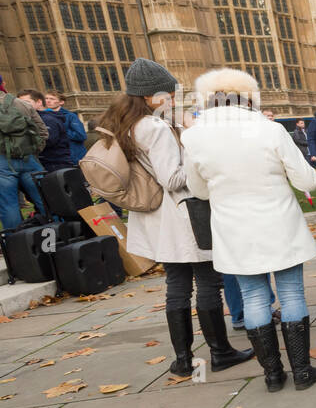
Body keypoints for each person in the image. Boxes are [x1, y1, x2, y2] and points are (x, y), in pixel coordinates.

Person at [98, 59, 252, 378]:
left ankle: (183, 360)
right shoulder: (154, 127)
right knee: (208, 281)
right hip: (182, 216)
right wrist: (200, 160)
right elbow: (172, 178)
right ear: (150, 96)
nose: (172, 98)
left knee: (177, 286)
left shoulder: (126, 124)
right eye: (168, 94)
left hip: (156, 219)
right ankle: (220, 352)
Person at [183, 68, 316, 392]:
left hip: (233, 229)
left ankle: (272, 375)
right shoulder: (270, 129)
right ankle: (302, 371)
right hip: (278, 223)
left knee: (252, 298)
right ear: (248, 96)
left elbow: (198, 190)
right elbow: (306, 180)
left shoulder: (193, 137)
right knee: (291, 294)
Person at [0, 91, 48, 230]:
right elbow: (43, 132)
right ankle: (57, 236)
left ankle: (18, 245)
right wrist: (34, 152)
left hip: (2, 163)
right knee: (45, 200)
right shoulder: (20, 103)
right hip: (29, 158)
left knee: (8, 206)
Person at [17, 89, 74, 174]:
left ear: (39, 102)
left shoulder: (47, 119)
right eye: (20, 104)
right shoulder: (32, 118)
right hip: (45, 163)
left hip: (55, 164)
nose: (23, 106)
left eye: (26, 102)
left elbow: (48, 141)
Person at [44, 92, 87, 163]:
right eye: (46, 98)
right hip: (55, 158)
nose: (48, 101)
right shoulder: (42, 116)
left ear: (61, 102)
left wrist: (61, 130)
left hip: (73, 157)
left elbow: (81, 136)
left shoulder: (70, 116)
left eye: (52, 99)